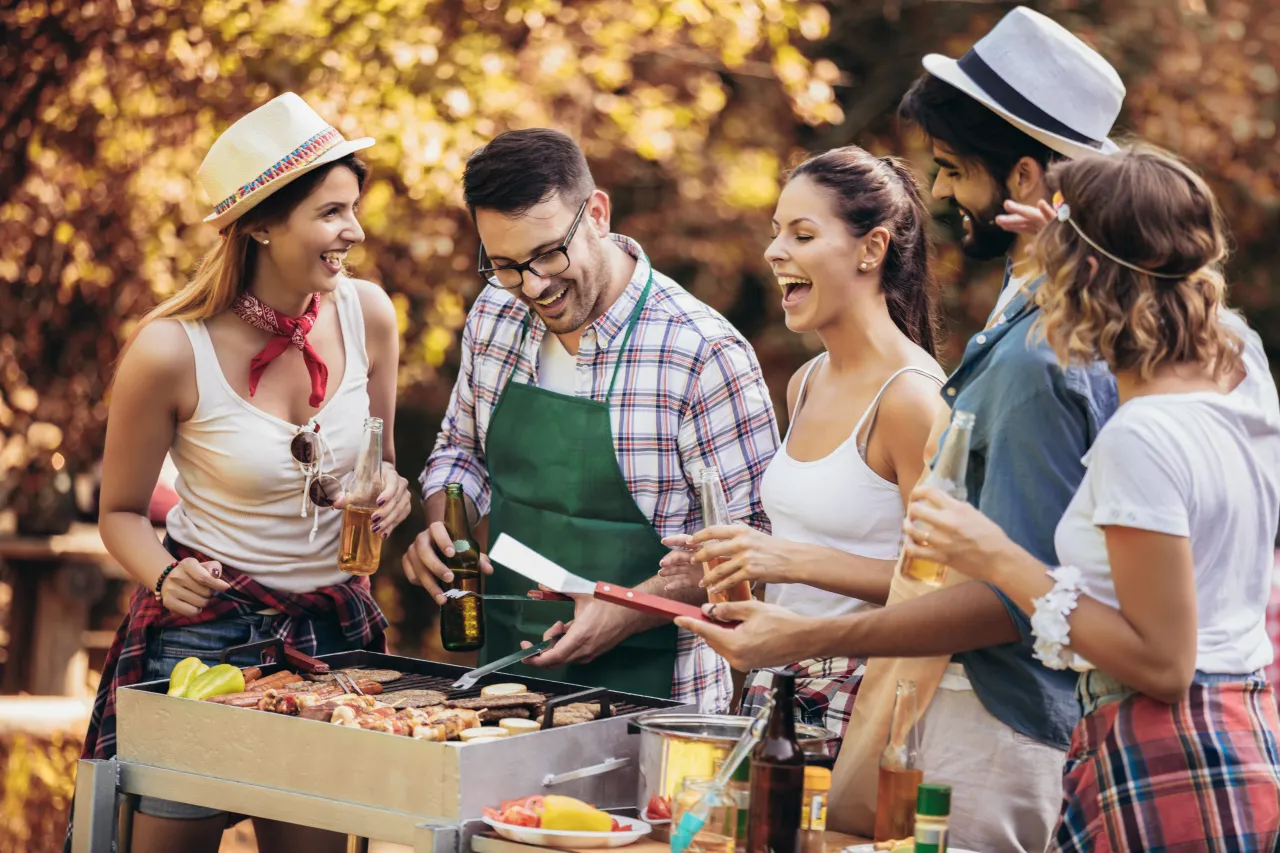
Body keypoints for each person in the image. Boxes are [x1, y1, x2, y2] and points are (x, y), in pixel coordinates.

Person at [678, 8, 1125, 850]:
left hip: (989, 722)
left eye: (955, 169)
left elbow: (1010, 596)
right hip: (947, 716)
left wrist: (806, 620)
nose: (944, 193)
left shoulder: (1036, 357)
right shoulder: (1019, 324)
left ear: (1026, 178)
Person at [903, 147, 1280, 851]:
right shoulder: (1241, 365)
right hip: (1235, 735)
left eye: (1059, 256)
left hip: (1169, 751)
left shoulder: (1140, 438)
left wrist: (997, 556)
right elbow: (1161, 274)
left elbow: (1164, 664)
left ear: (1093, 272)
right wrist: (1083, 233)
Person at [79, 93, 410, 853]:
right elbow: (121, 513)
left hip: (330, 640)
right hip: (206, 639)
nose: (353, 232)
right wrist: (164, 576)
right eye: (331, 213)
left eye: (353, 209)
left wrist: (395, 489)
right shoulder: (169, 350)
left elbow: (381, 464)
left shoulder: (370, 315)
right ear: (261, 223)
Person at [407, 129, 779, 712]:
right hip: (507, 682)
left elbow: (754, 552)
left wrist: (628, 610)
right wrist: (443, 527)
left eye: (549, 253)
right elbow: (460, 451)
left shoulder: (702, 352)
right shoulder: (493, 315)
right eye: (505, 265)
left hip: (660, 699)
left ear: (597, 214)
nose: (533, 286)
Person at [657, 146, 946, 744]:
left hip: (864, 698)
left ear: (873, 249)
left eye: (803, 233)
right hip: (777, 687)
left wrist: (781, 556)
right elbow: (803, 556)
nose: (774, 251)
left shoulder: (911, 401)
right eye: (776, 232)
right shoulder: (807, 382)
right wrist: (732, 566)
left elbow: (941, 588)